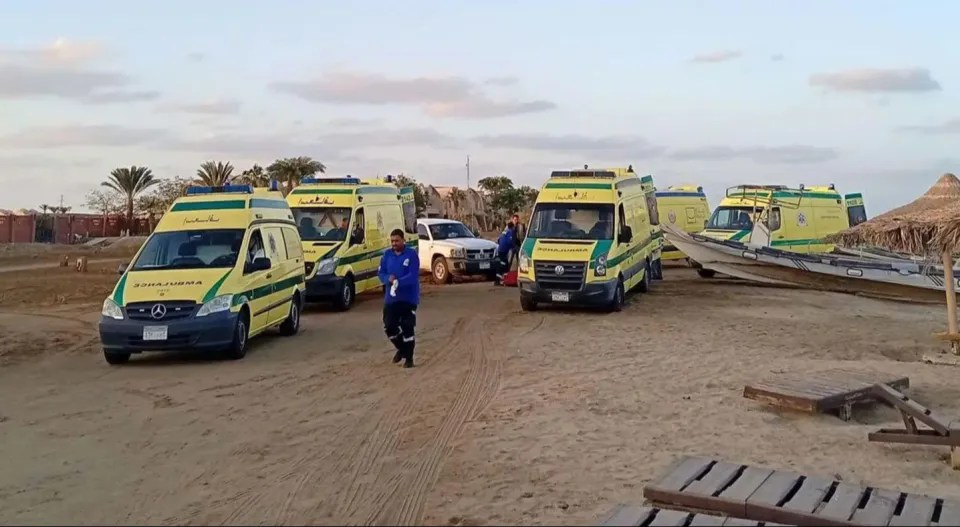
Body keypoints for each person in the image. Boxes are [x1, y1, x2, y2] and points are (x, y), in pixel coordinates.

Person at [378, 228, 421, 368]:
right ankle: (402, 349)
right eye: (392, 241)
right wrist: (387, 278)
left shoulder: (411, 255)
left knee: (408, 327)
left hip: (408, 299)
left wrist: (399, 282)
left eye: (397, 240)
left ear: (403, 240)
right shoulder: (387, 255)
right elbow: (381, 273)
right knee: (389, 326)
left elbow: (413, 275)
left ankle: (409, 358)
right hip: (391, 299)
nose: (394, 243)